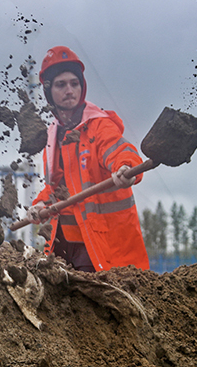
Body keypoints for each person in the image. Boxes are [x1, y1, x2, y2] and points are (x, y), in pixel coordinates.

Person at [24, 46, 149, 272]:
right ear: (48, 91)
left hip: (102, 245)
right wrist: (40, 204)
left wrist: (125, 168)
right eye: (61, 85)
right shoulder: (52, 136)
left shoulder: (98, 126)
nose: (70, 90)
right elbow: (58, 188)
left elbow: (121, 152)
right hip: (63, 248)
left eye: (75, 83)